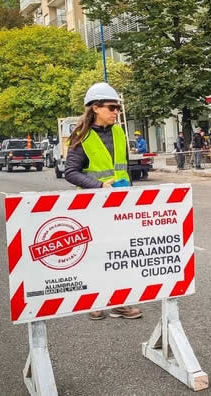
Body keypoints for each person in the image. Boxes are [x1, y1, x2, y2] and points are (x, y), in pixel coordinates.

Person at [64, 82, 142, 321]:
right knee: (95, 254)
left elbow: (124, 168)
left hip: (120, 203)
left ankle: (119, 302)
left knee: (119, 253)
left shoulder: (119, 133)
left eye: (117, 107)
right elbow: (70, 172)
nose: (116, 112)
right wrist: (99, 186)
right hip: (93, 206)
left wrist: (131, 195)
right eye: (111, 107)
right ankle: (94, 301)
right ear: (96, 108)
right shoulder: (82, 137)